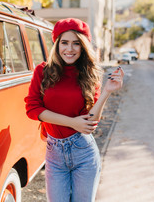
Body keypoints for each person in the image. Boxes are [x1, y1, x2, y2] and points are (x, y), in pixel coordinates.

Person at [24, 18, 124, 202]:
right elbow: (32, 108)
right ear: (56, 44)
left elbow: (90, 123)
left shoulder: (90, 74)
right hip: (54, 154)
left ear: (83, 46)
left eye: (76, 43)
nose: (69, 49)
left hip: (84, 152)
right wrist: (72, 122)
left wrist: (107, 92)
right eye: (64, 42)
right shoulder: (43, 71)